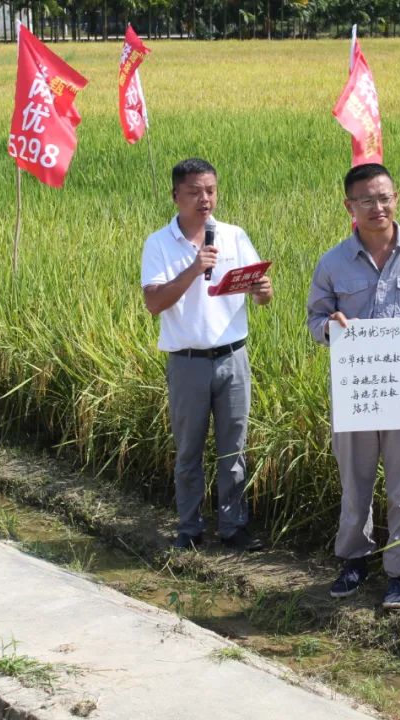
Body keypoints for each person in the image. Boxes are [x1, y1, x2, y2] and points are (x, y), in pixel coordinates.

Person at [306, 163, 400, 609]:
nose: (378, 207)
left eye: (384, 197)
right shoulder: (333, 262)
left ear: (396, 198)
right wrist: (330, 326)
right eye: (367, 200)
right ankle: (354, 560)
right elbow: (315, 320)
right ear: (349, 206)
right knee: (354, 482)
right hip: (357, 391)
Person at [141, 158, 273, 552]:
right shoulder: (159, 243)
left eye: (211, 190)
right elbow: (153, 303)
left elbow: (259, 292)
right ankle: (190, 528)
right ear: (175, 195)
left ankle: (233, 527)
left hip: (233, 357)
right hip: (188, 362)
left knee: (234, 448)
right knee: (189, 450)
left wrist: (263, 292)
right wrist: (193, 269)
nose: (205, 199)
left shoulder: (233, 236)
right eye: (195, 192)